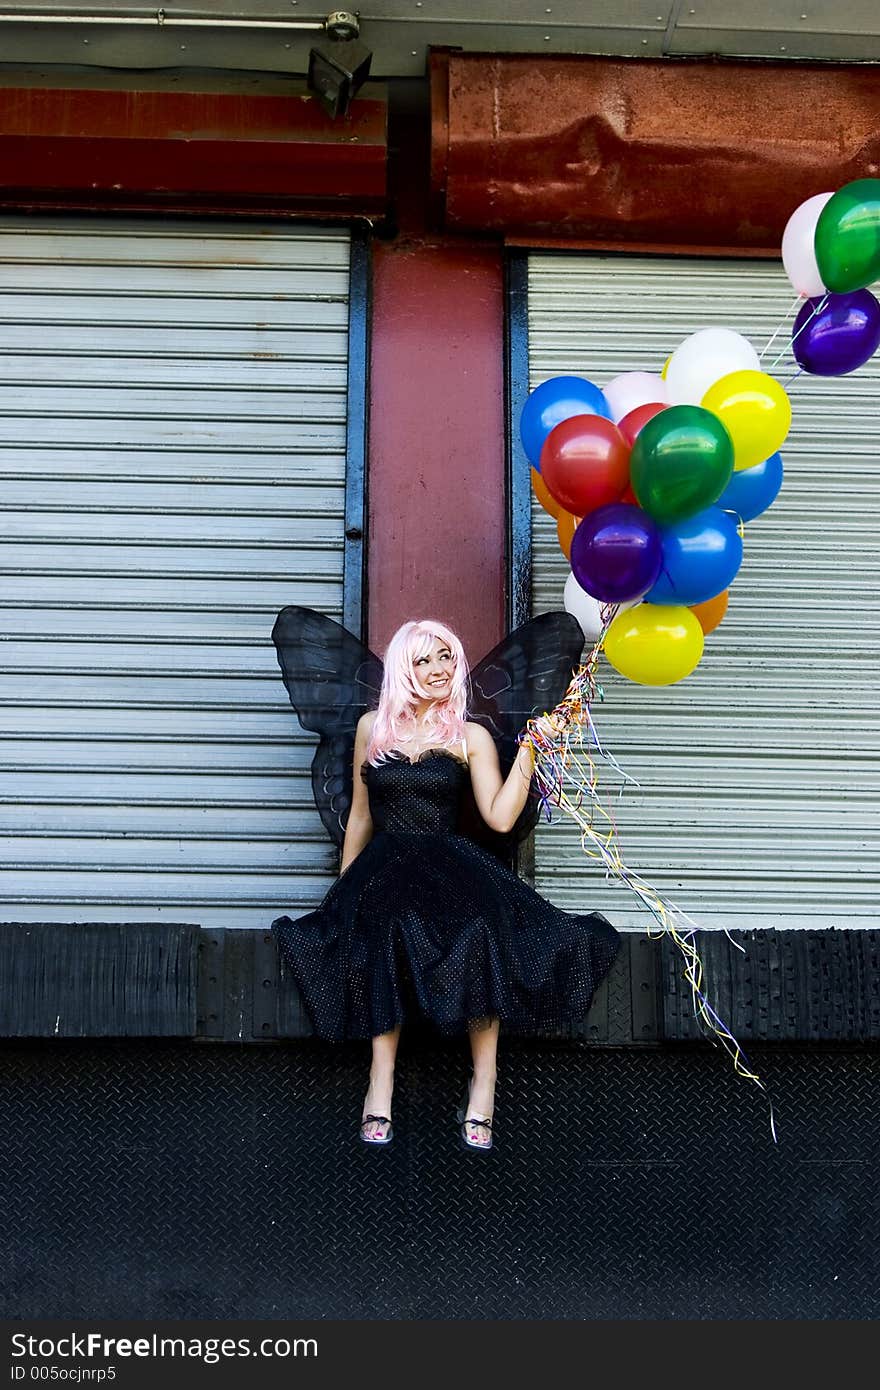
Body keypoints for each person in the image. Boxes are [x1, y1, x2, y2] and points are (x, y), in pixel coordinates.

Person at [271, 617, 620, 1152]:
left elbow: (500, 818)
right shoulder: (372, 729)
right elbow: (361, 817)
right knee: (385, 928)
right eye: (422, 660)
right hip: (386, 864)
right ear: (402, 669)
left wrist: (528, 751)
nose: (437, 669)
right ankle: (379, 1083)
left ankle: (484, 1084)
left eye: (446, 658)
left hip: (449, 862)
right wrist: (343, 893)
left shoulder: (469, 735)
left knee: (480, 933)